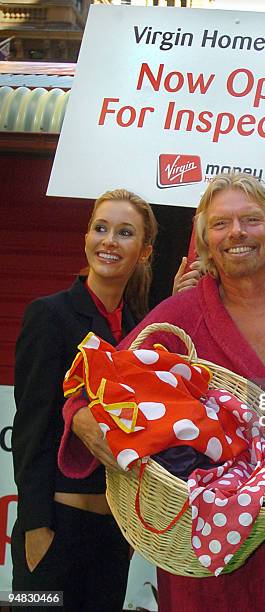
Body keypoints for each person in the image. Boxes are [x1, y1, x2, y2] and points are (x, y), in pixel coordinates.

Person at [60, 173, 265, 611]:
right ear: (206, 244)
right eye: (220, 224)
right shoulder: (180, 316)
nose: (236, 232)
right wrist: (82, 416)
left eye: (250, 219)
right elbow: (101, 382)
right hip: (202, 555)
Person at [12, 188, 157, 611]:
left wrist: (129, 536)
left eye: (125, 232)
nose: (109, 240)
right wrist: (36, 525)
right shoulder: (49, 315)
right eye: (101, 228)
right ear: (87, 237)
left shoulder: (137, 331)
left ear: (144, 252)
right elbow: (31, 426)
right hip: (54, 530)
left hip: (113, 537)